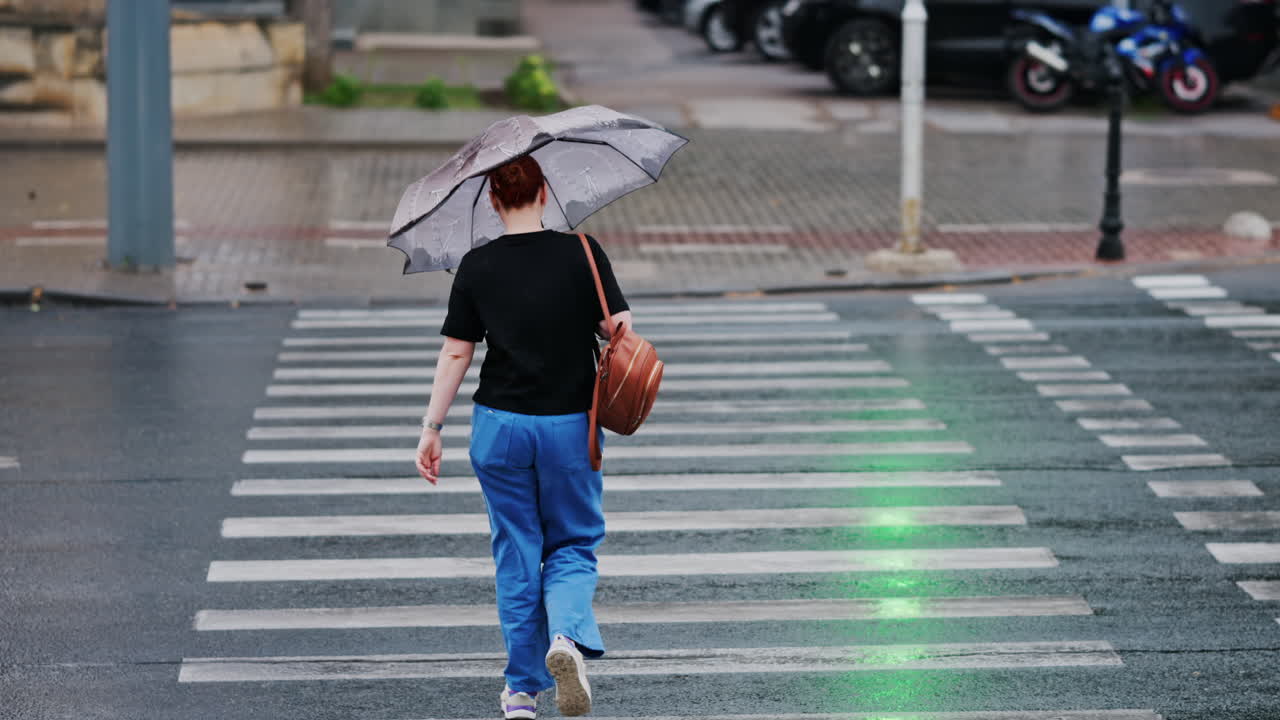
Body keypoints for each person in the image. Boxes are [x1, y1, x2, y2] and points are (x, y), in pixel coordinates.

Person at [413, 154, 632, 720]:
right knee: (573, 544)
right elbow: (619, 330)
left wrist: (431, 428)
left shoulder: (477, 265)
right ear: (544, 193)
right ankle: (565, 639)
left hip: (501, 429)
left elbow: (457, 351)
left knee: (517, 553)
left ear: (492, 201)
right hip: (567, 427)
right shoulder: (582, 252)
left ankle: (520, 693)